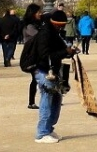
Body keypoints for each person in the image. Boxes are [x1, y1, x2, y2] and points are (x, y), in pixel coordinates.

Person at [33, 9, 78, 143]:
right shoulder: (45, 33)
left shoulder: (54, 32)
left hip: (53, 70)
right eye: (61, 25)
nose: (63, 27)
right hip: (43, 70)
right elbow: (45, 55)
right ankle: (41, 133)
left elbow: (59, 51)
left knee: (56, 99)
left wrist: (69, 52)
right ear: (56, 23)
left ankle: (48, 129)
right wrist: (65, 51)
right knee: (47, 99)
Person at [22, 4, 43, 109]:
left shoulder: (36, 24)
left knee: (37, 78)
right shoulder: (30, 26)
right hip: (32, 55)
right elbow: (39, 37)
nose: (40, 14)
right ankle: (32, 102)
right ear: (33, 13)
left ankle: (32, 101)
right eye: (39, 12)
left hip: (36, 54)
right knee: (37, 78)